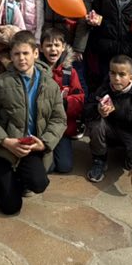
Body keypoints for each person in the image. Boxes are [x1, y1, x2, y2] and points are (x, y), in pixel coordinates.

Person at [0, 31, 67, 215]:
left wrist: (44, 143)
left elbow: (59, 119)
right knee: (11, 207)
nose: (21, 58)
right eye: (16, 54)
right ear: (11, 56)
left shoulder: (49, 85)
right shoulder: (1, 83)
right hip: (5, 147)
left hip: (31, 147)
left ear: (36, 53)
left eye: (26, 53)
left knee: (39, 183)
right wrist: (5, 141)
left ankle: (15, 176)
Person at [84, 55, 132, 184]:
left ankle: (130, 156)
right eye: (113, 73)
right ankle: (99, 160)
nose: (116, 78)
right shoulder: (104, 88)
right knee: (96, 124)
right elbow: (86, 110)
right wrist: (97, 109)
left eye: (122, 74)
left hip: (130, 135)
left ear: (131, 77)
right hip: (110, 130)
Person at [39, 26, 85, 174]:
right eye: (48, 45)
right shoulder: (36, 71)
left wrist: (63, 103)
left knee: (64, 166)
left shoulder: (69, 72)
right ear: (41, 48)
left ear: (63, 47)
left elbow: (79, 100)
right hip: (40, 127)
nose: (53, 49)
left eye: (56, 45)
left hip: (61, 128)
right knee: (48, 168)